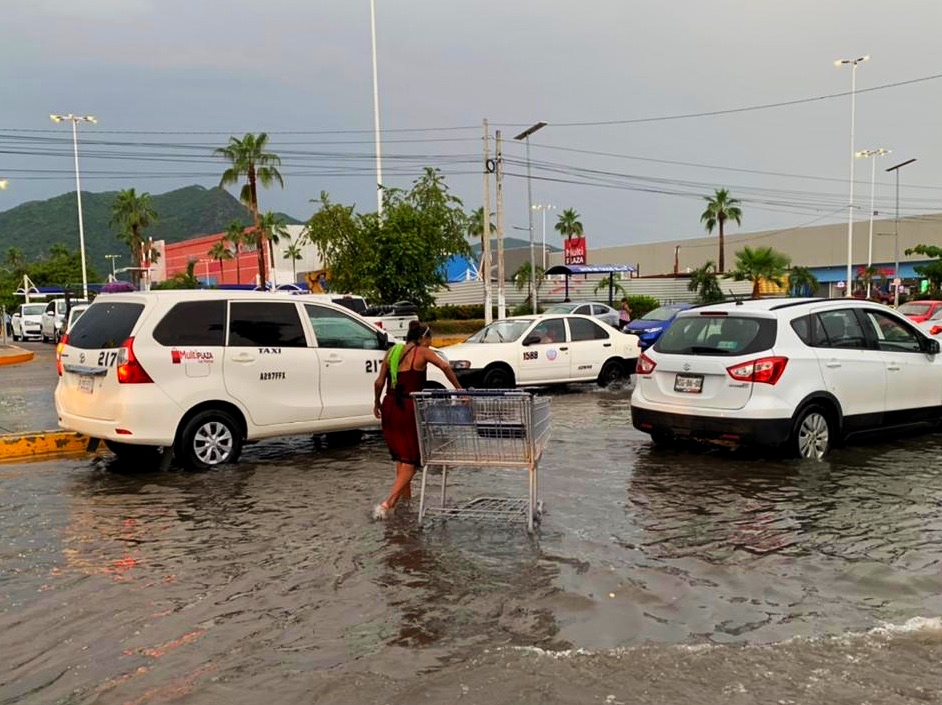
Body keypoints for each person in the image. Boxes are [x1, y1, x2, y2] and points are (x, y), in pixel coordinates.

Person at [372, 320, 463, 520]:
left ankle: (405, 506)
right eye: (429, 340)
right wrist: (459, 389)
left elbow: (379, 382)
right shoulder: (422, 352)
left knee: (401, 458)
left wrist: (376, 403)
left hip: (390, 406)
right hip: (408, 408)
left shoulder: (393, 352)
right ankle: (387, 504)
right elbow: (444, 366)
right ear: (423, 338)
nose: (430, 344)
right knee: (412, 461)